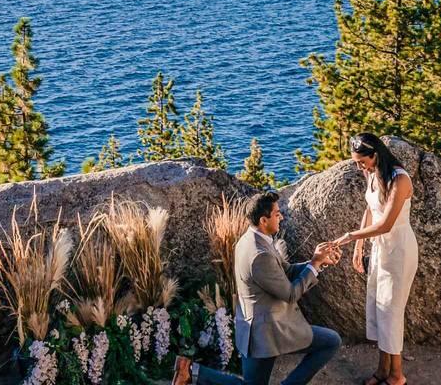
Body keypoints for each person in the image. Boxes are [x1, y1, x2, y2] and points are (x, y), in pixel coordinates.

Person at [172, 191, 343, 385]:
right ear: (264, 220)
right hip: (267, 331)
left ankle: (191, 372)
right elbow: (290, 293)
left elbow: (284, 271)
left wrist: (318, 262)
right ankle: (193, 372)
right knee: (331, 342)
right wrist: (313, 264)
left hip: (256, 326)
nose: (281, 217)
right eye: (277, 214)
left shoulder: (252, 239)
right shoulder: (260, 255)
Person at [332, 133, 418, 385]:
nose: (359, 167)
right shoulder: (371, 173)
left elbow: (386, 224)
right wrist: (359, 247)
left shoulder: (400, 179)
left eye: (362, 161)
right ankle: (382, 368)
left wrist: (348, 236)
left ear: (375, 155)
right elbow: (370, 209)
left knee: (391, 310)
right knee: (378, 307)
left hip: (399, 250)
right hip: (380, 249)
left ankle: (397, 375)